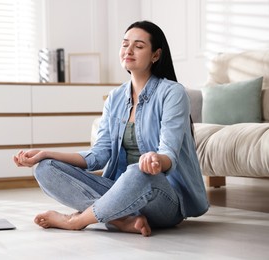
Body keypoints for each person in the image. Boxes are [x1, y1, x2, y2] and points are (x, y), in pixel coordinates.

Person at [13, 20, 209, 237]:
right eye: (125, 44)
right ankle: (122, 219)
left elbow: (168, 153)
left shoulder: (172, 93)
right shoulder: (115, 98)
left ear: (155, 55)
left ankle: (77, 220)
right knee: (45, 168)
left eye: (139, 46)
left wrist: (155, 161)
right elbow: (98, 156)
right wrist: (46, 153)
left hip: (162, 198)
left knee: (137, 173)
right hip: (118, 193)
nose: (129, 50)